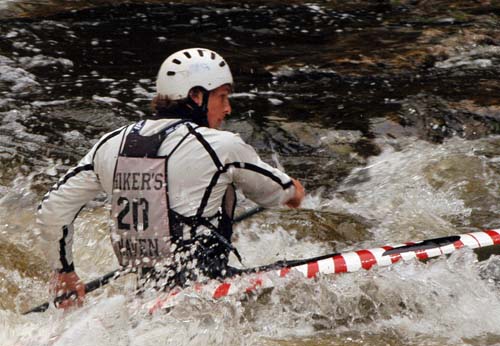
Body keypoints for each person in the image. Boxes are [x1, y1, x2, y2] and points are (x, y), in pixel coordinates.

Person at [36, 48, 305, 309]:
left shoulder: (110, 143)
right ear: (197, 96)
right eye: (222, 97)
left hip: (148, 292)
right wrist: (295, 191)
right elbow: (279, 192)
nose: (228, 108)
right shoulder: (221, 145)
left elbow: (52, 209)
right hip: (207, 291)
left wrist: (64, 272)